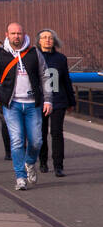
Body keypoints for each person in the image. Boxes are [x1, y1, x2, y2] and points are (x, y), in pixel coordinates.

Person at [0, 22, 51, 191]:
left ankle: (29, 163)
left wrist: (48, 99)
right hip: (12, 104)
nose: (16, 36)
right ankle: (20, 177)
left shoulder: (34, 53)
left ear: (24, 33)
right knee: (17, 140)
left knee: (36, 141)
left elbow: (45, 75)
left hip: (32, 104)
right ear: (7, 34)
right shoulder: (0, 53)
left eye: (18, 33)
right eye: (12, 33)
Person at [37, 29, 76, 177]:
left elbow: (66, 79)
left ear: (54, 41)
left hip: (58, 100)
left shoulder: (60, 58)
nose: (47, 40)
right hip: (39, 101)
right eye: (44, 37)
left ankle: (58, 165)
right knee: (40, 133)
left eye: (50, 38)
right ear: (39, 41)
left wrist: (71, 101)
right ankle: (42, 161)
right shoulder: (34, 57)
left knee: (56, 132)